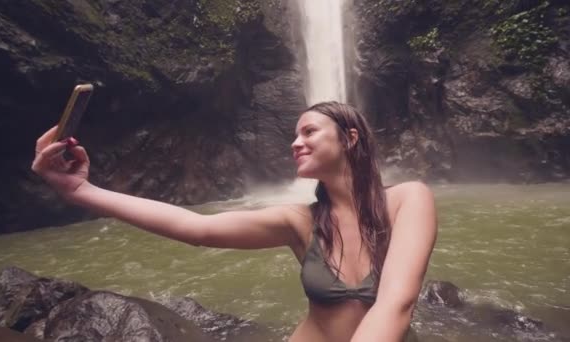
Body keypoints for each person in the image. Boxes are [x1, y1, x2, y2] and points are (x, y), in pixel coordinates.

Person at [32, 101, 437, 342]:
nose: (295, 143)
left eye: (309, 131)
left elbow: (396, 304)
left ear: (350, 138)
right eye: (294, 135)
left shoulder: (407, 200)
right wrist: (80, 192)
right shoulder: (299, 222)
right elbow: (198, 228)